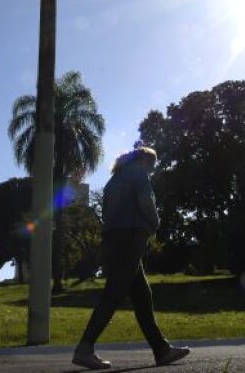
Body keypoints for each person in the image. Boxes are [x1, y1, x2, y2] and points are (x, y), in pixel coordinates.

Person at [72, 147, 190, 370]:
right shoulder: (139, 174)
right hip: (132, 237)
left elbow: (107, 214)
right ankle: (84, 348)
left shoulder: (113, 180)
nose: (152, 170)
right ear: (145, 160)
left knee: (142, 296)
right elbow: (146, 201)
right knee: (114, 293)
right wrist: (154, 225)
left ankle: (161, 350)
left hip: (115, 238)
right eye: (152, 165)